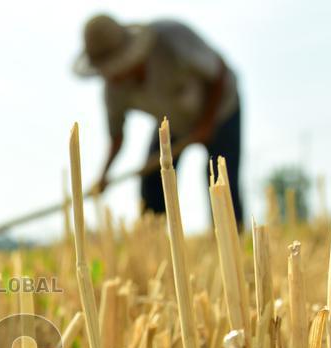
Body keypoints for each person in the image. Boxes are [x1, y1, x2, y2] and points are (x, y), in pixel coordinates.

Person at [74, 14, 243, 225]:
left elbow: (219, 74)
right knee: (153, 181)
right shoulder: (113, 90)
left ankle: (232, 234)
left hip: (220, 109)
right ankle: (156, 239)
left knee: (221, 180)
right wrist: (104, 176)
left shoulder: (170, 41)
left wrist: (207, 123)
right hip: (172, 123)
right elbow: (116, 136)